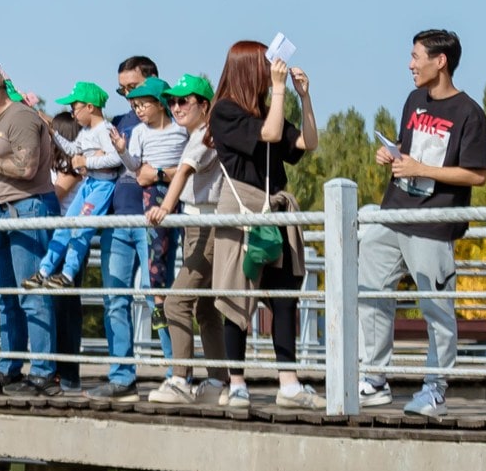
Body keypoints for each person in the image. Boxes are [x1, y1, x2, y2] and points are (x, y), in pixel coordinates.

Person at [366, 29, 486, 419]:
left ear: (440, 62)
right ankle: (373, 379)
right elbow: (412, 150)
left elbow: (478, 176)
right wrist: (394, 155)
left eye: (416, 56)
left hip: (434, 222)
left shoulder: (469, 113)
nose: (410, 64)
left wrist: (424, 169)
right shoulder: (413, 100)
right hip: (395, 211)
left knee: (436, 308)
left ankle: (434, 390)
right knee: (368, 288)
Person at [203, 41, 321, 410]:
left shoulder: (270, 109)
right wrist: (282, 89)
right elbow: (268, 135)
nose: (272, 71)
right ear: (247, 69)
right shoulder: (224, 112)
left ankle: (289, 383)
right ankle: (236, 382)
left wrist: (304, 98)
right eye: (265, 66)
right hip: (241, 209)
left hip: (275, 211)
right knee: (238, 298)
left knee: (284, 297)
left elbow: (306, 142)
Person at [0, 65, 62, 394]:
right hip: (2, 210)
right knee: (6, 297)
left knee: (32, 293)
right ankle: (10, 367)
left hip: (29, 206)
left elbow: (27, 166)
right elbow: (0, 169)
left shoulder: (20, 117)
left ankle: (44, 371)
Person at [98, 76, 186, 396]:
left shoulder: (180, 126)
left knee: (158, 293)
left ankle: (176, 370)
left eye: (135, 94)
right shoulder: (130, 127)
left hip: (158, 214)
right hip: (123, 218)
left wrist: (159, 174)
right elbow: (134, 167)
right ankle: (121, 374)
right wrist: (122, 152)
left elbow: (193, 165)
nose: (129, 100)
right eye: (125, 94)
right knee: (115, 297)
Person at [143, 74, 224, 403]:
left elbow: (186, 170)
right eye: (172, 101)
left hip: (207, 225)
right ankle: (220, 382)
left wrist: (164, 206)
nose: (175, 107)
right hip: (197, 223)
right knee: (205, 307)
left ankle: (180, 379)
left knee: (176, 302)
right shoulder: (200, 134)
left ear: (204, 106)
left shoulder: (204, 135)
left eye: (183, 101)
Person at [33, 84, 124, 287]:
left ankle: (68, 274)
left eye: (75, 108)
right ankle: (44, 270)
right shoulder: (85, 132)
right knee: (66, 225)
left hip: (102, 186)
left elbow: (116, 159)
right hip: (89, 184)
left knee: (80, 230)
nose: (73, 113)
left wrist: (87, 162)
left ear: (90, 107)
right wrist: (53, 133)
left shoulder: (105, 130)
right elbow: (73, 149)